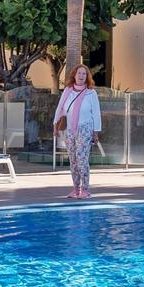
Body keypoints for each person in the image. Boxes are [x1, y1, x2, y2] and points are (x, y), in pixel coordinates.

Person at [53, 63, 102, 199]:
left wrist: (96, 131)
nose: (81, 76)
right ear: (74, 75)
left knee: (82, 159)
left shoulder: (91, 93)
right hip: (70, 129)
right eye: (79, 73)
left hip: (85, 128)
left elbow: (96, 113)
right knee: (73, 160)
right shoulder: (68, 91)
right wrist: (55, 124)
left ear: (87, 77)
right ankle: (75, 189)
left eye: (84, 74)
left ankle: (85, 189)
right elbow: (60, 108)